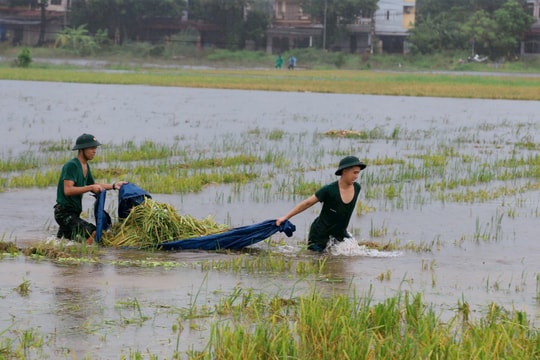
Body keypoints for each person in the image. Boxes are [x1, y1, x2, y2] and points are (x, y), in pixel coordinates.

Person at [276, 156, 366, 252]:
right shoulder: (329, 190)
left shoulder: (357, 188)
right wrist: (286, 217)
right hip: (320, 234)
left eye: (358, 173)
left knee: (351, 255)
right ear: (344, 171)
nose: (356, 176)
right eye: (354, 173)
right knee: (316, 261)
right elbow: (307, 203)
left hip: (339, 233)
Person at [54, 133, 127, 245]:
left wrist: (114, 186)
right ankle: (87, 256)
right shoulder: (71, 166)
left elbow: (94, 185)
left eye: (95, 148)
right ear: (82, 149)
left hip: (74, 212)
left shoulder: (85, 166)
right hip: (64, 213)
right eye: (91, 148)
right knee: (92, 232)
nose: (94, 151)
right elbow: (68, 190)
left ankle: (65, 260)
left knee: (61, 243)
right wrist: (90, 187)